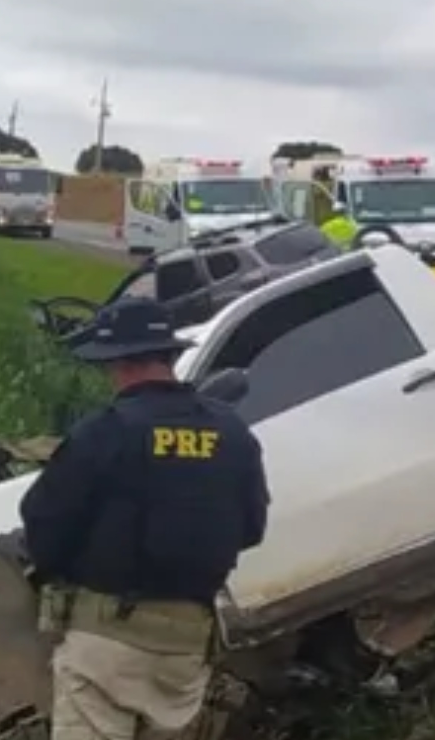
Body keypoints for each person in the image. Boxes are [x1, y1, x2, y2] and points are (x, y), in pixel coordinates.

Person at [19, 297, 270, 740]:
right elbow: (251, 527)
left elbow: (44, 522)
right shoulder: (233, 435)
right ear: (170, 357)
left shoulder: (105, 432)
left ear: (118, 363)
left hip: (105, 641)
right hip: (186, 651)